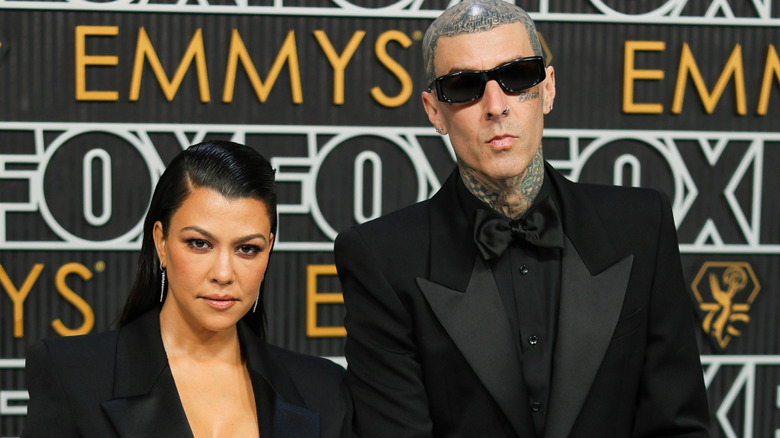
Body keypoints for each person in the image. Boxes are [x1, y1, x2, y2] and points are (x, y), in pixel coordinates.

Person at [334, 1, 711, 437]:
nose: (496, 106)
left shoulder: (642, 226)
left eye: (516, 77)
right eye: (464, 86)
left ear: (548, 88)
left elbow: (678, 425)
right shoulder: (381, 258)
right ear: (434, 110)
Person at [23, 141, 352, 438]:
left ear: (269, 248)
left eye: (247, 249)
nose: (223, 273)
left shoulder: (323, 389)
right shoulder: (73, 374)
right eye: (199, 244)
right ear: (161, 242)